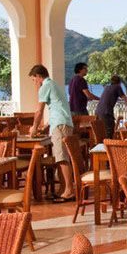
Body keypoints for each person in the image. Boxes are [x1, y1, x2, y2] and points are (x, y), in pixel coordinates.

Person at [29, 64, 76, 202]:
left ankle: (69, 191)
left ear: (38, 76)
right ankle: (63, 189)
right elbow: (58, 107)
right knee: (59, 157)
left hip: (60, 125)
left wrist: (34, 128)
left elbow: (39, 111)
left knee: (61, 158)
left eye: (33, 80)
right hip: (62, 123)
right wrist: (47, 125)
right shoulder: (54, 85)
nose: (34, 83)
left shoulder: (45, 86)